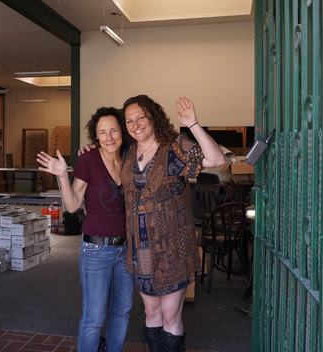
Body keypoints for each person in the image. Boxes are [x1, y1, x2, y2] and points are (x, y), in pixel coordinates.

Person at [120, 95, 225, 352]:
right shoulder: (128, 151)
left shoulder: (174, 147)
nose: (135, 125)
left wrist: (193, 124)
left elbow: (217, 160)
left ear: (153, 117)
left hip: (172, 251)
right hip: (141, 252)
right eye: (129, 121)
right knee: (151, 313)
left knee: (170, 316)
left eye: (141, 117)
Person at [37, 107, 134, 352]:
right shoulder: (88, 159)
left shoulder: (130, 158)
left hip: (127, 250)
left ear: (122, 132)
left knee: (121, 312)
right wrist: (62, 176)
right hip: (96, 249)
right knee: (94, 318)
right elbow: (72, 206)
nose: (109, 137)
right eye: (102, 132)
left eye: (114, 130)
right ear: (96, 136)